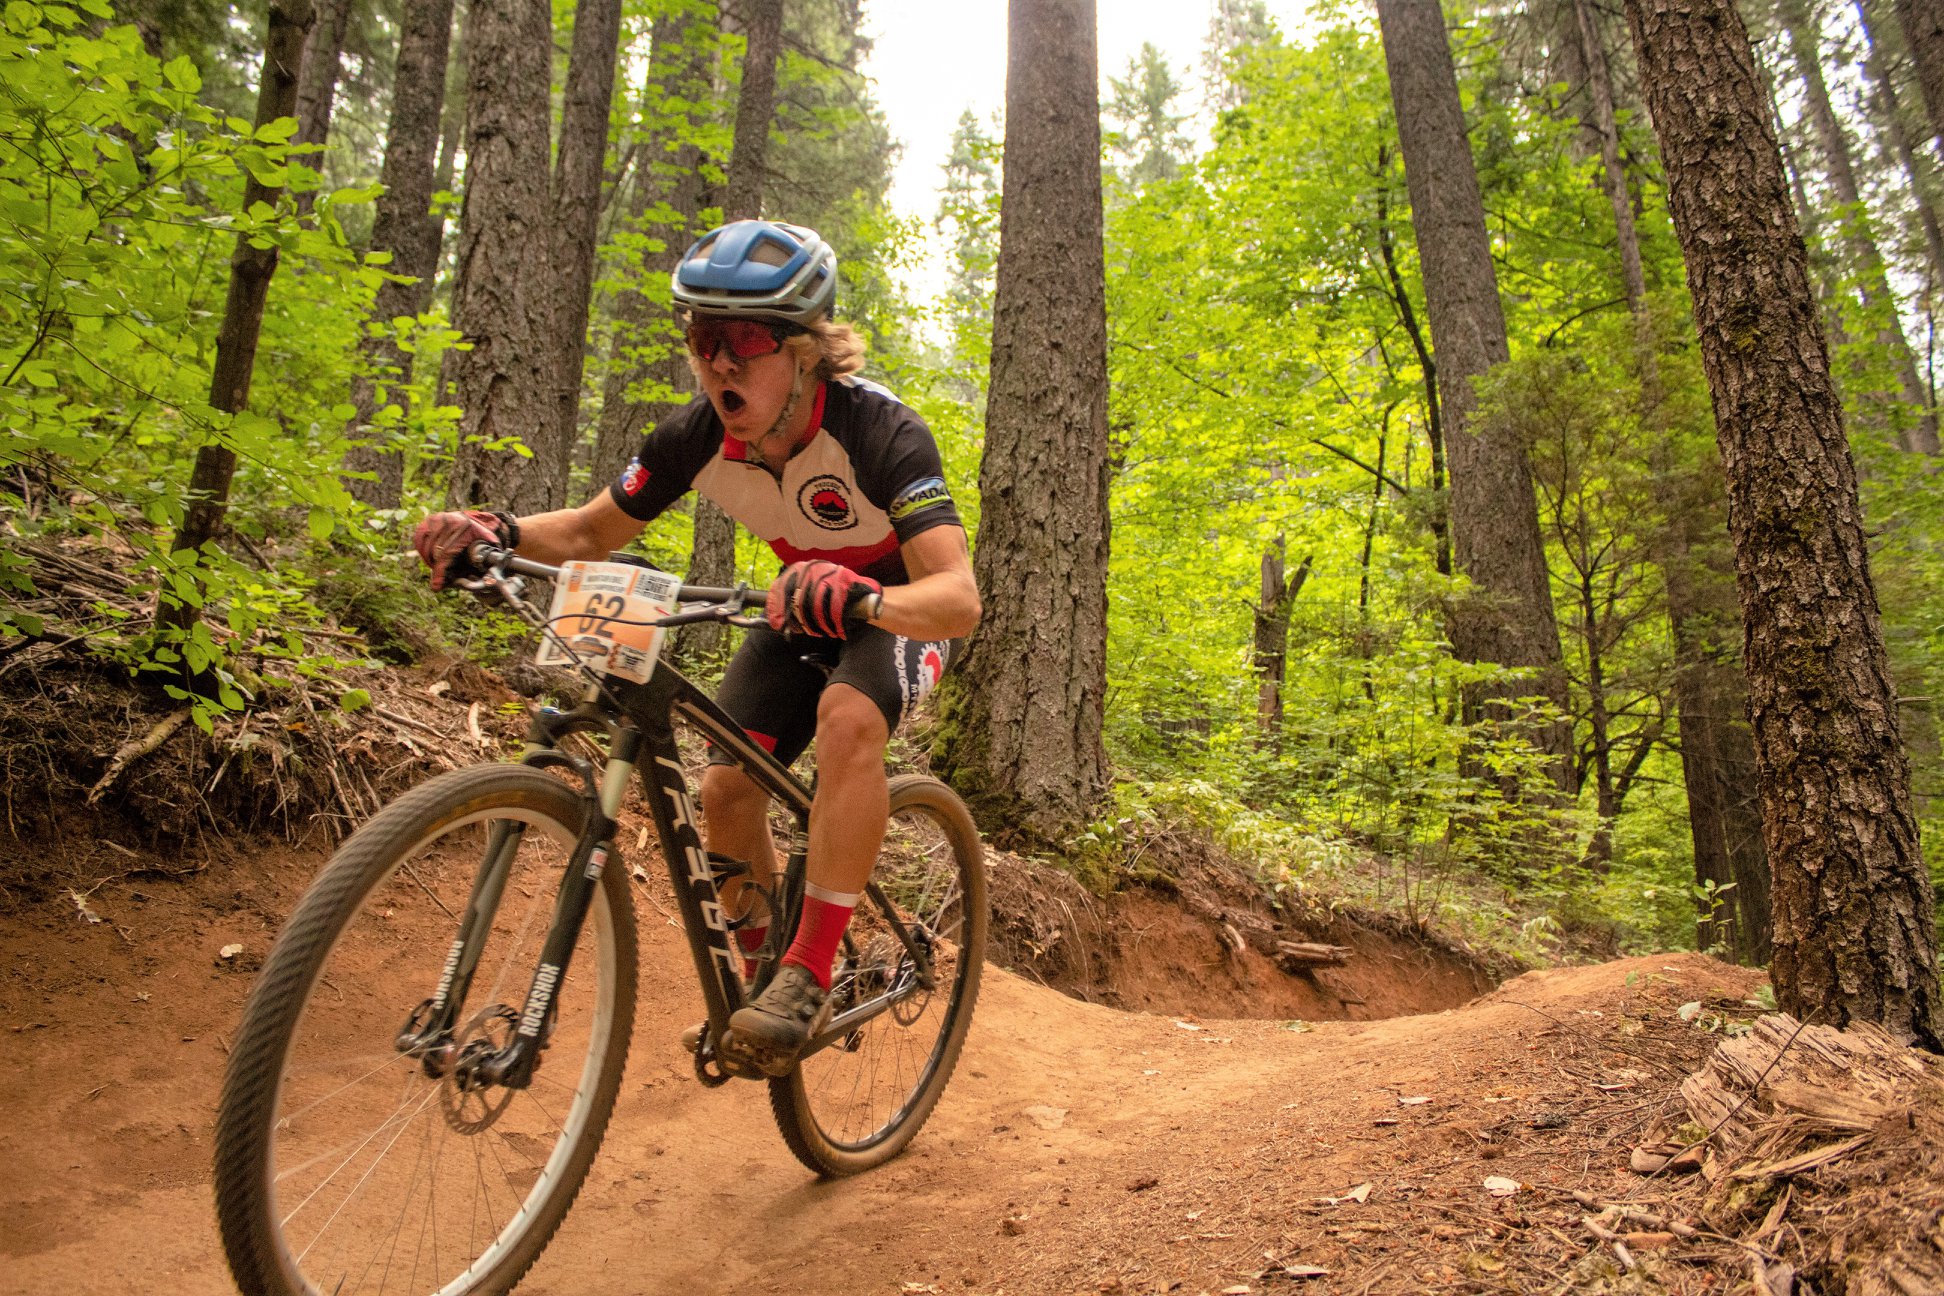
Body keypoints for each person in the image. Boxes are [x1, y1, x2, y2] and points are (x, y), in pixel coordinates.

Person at [412, 220, 981, 1067]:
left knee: (848, 718)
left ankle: (809, 970)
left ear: (807, 350)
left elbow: (958, 596)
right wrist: (493, 528)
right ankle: (759, 997)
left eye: (745, 340)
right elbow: (587, 531)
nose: (719, 362)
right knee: (724, 785)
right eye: (703, 337)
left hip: (895, 612)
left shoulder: (879, 433)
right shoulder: (695, 437)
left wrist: (869, 595)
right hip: (801, 607)